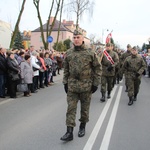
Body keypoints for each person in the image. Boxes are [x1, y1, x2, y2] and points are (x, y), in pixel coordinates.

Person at [60, 29, 102, 141]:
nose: (76, 39)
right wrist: (65, 83)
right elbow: (66, 70)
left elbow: (98, 68)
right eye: (74, 38)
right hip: (72, 86)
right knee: (70, 109)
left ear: (83, 39)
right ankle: (69, 132)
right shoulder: (69, 53)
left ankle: (82, 127)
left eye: (78, 37)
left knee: (84, 109)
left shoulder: (90, 53)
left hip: (86, 86)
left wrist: (95, 83)